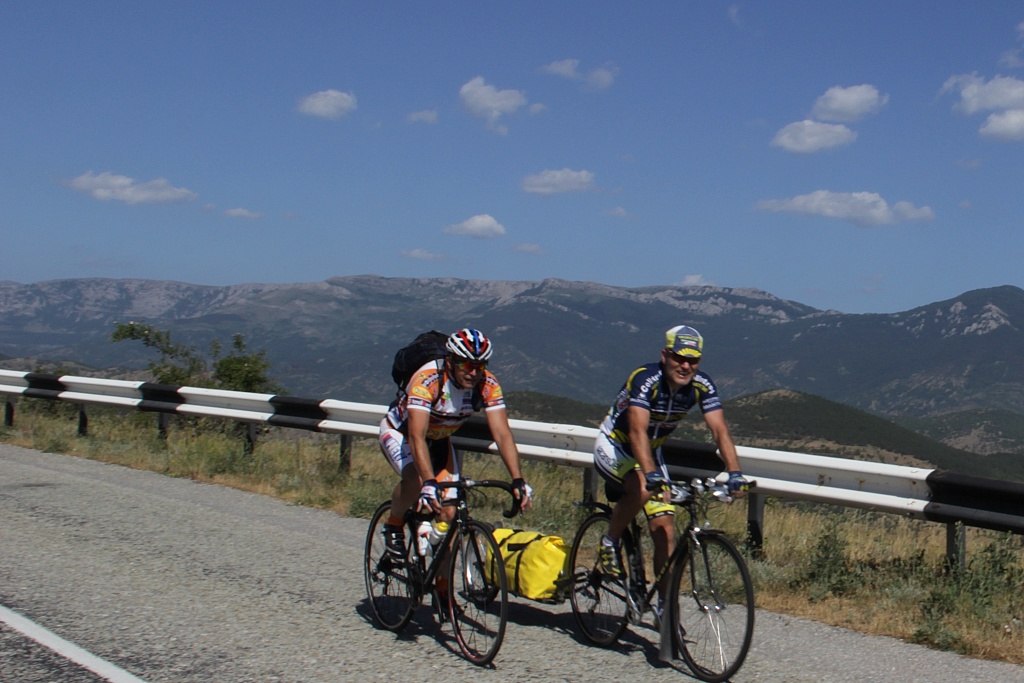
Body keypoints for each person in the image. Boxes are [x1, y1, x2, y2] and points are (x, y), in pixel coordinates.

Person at [592, 325, 748, 614]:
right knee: (642, 487)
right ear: (665, 355)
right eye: (679, 358)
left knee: (665, 530)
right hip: (617, 444)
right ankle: (609, 542)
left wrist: (735, 472)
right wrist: (651, 475)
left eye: (693, 360)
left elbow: (719, 430)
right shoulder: (645, 378)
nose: (686, 366)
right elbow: (637, 431)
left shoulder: (702, 385)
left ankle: (665, 609)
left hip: (652, 451)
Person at [378, 328, 533, 563]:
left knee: (450, 514)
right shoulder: (427, 380)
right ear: (450, 361)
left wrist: (518, 479)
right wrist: (429, 482)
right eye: (466, 365)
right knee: (416, 481)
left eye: (479, 366)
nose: (473, 372)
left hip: (439, 440)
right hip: (401, 434)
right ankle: (394, 524)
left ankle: (440, 582)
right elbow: (417, 437)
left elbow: (502, 434)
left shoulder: (488, 383)